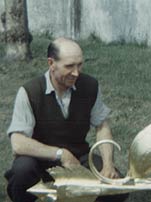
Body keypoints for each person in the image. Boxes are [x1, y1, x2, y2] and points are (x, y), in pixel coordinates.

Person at [4, 37, 128, 202]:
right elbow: (18, 143)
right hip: (38, 160)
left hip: (78, 158)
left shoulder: (90, 86)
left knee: (117, 189)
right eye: (69, 66)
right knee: (21, 173)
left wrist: (108, 165)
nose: (76, 72)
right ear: (51, 63)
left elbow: (102, 126)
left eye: (80, 65)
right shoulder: (30, 92)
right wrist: (60, 154)